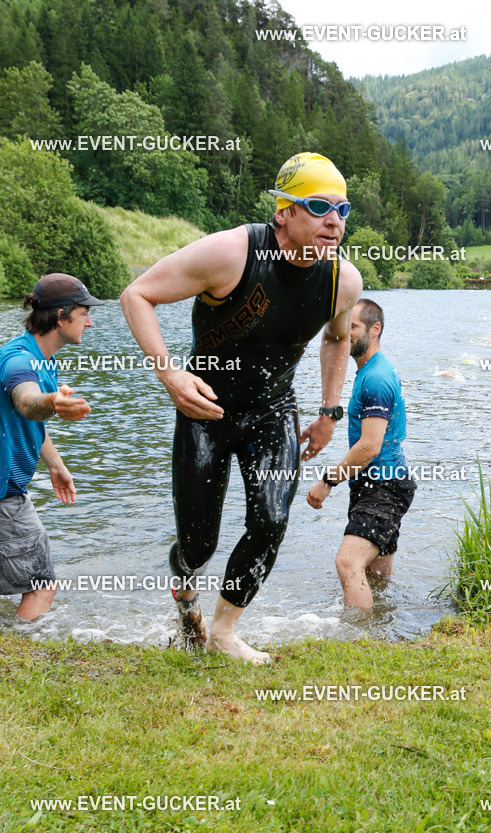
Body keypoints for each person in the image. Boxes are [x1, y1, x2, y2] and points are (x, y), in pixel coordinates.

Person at [120, 152, 362, 664]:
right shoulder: (231, 253)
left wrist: (329, 411)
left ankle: (225, 630)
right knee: (199, 543)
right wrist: (169, 373)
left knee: (272, 517)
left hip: (273, 408)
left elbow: (338, 340)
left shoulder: (345, 281)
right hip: (205, 409)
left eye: (342, 209)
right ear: (284, 212)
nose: (333, 221)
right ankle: (185, 588)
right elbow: (137, 295)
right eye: (319, 206)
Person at [0, 274, 100, 619]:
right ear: (61, 316)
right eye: (84, 313)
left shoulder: (42, 359)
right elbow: (27, 402)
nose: (90, 321)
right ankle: (22, 648)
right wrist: (53, 402)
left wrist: (55, 464)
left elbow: (29, 421)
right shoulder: (19, 362)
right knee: (41, 584)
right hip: (4, 494)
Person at [306, 299, 416, 609]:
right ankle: (382, 631)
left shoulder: (377, 378)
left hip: (385, 488)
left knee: (347, 563)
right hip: (381, 484)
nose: (346, 333)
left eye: (353, 326)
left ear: (375, 329)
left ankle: (358, 641)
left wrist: (327, 481)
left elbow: (370, 446)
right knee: (376, 573)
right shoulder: (369, 371)